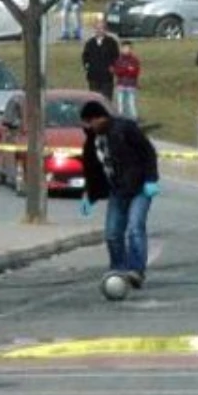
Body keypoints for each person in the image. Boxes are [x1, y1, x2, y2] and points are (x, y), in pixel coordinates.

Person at [79, 101, 160, 289]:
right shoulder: (92, 141)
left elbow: (148, 153)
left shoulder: (125, 129)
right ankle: (118, 269)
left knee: (135, 228)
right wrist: (89, 196)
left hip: (140, 187)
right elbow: (92, 171)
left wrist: (151, 179)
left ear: (100, 118)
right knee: (113, 233)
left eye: (90, 122)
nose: (88, 127)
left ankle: (136, 270)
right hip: (118, 190)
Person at [82, 21, 119, 100]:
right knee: (94, 98)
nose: (99, 30)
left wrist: (113, 67)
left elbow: (116, 56)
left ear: (105, 30)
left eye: (101, 28)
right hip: (93, 76)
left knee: (106, 99)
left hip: (106, 76)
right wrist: (87, 66)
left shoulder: (111, 42)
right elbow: (85, 56)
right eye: (97, 28)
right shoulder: (90, 43)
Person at [111, 40, 141, 120]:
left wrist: (125, 70)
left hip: (131, 85)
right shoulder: (118, 60)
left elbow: (134, 72)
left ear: (131, 49)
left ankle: (134, 121)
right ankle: (121, 121)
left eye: (128, 48)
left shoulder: (134, 60)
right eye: (124, 48)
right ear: (121, 49)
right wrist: (126, 69)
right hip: (121, 85)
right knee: (120, 105)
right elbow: (117, 71)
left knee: (131, 104)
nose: (126, 50)